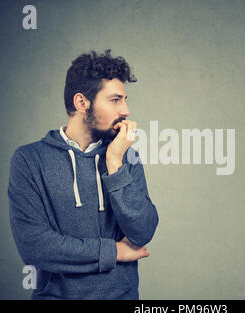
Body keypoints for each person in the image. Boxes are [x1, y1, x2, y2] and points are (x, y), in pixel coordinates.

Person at [8, 49, 159, 300]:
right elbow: (36, 246)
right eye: (115, 100)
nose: (126, 110)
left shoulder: (125, 157)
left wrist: (114, 163)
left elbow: (142, 233)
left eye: (125, 99)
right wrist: (114, 252)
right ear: (81, 103)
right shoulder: (29, 160)